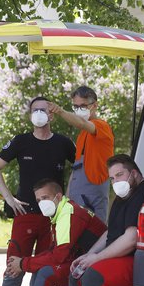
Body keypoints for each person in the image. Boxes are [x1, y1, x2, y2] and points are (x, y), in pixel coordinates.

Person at [0, 96, 76, 286]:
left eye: (44, 109)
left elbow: (82, 169)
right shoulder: (21, 142)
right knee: (14, 265)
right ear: (30, 115)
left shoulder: (63, 143)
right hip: (24, 214)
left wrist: (66, 200)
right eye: (35, 110)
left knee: (43, 268)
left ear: (52, 113)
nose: (39, 113)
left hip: (53, 219)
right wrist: (9, 198)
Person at [51, 154, 144, 286]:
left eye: (120, 175)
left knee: (94, 275)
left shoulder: (141, 194)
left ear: (133, 173)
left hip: (134, 261)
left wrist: (96, 260)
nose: (116, 182)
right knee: (78, 270)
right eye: (112, 178)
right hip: (118, 256)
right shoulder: (124, 197)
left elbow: (131, 238)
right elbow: (109, 234)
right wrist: (89, 255)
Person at [48, 86, 114, 223]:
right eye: (75, 106)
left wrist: (59, 111)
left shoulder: (102, 126)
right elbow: (77, 167)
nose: (79, 110)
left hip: (93, 195)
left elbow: (81, 123)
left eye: (83, 106)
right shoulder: (82, 135)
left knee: (95, 235)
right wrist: (66, 197)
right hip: (77, 195)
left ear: (94, 105)